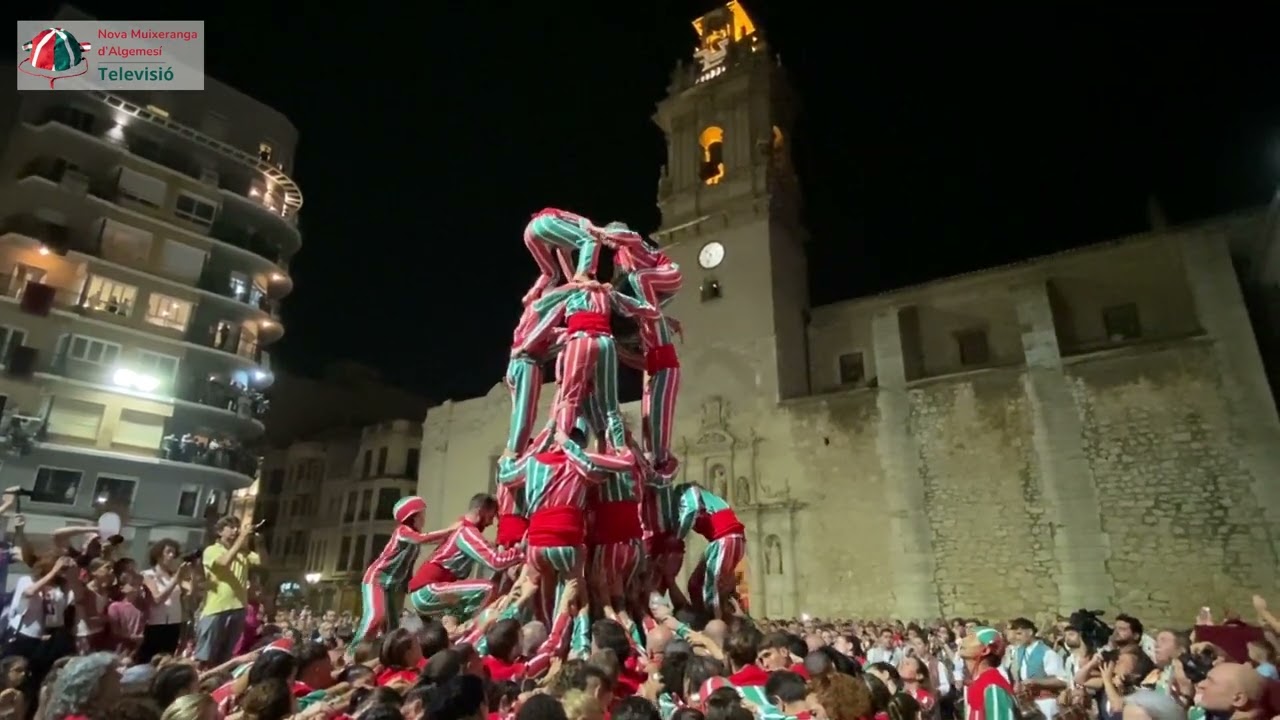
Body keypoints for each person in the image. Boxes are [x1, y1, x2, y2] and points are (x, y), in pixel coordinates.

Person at [197, 516, 262, 668]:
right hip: (216, 609)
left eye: (237, 527)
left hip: (238, 607)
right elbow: (224, 562)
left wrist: (260, 543)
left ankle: (217, 680)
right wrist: (242, 538)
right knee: (205, 656)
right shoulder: (211, 550)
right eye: (231, 527)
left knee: (226, 656)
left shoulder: (243, 552)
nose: (236, 530)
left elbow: (262, 561)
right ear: (220, 531)